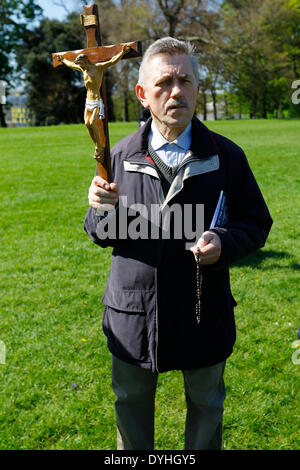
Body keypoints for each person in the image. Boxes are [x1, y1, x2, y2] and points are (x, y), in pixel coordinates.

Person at [84, 37, 273, 450]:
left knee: (206, 404)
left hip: (203, 309)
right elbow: (99, 233)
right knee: (131, 403)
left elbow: (256, 223)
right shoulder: (117, 156)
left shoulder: (226, 156)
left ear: (198, 89)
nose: (176, 92)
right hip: (133, 313)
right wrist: (99, 209)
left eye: (185, 81)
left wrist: (223, 242)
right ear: (142, 95)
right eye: (164, 83)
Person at [56, 44, 131, 160]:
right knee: (87, 123)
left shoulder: (97, 67)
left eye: (80, 64)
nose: (80, 67)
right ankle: (97, 146)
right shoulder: (83, 69)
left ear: (85, 62)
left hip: (96, 100)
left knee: (92, 122)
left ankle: (100, 146)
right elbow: (71, 65)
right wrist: (63, 59)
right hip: (88, 100)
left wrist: (123, 52)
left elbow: (112, 61)